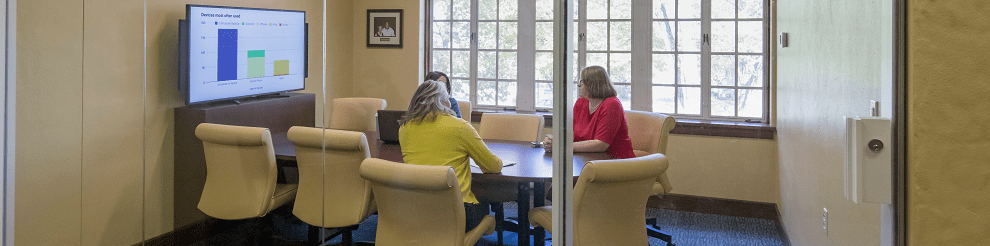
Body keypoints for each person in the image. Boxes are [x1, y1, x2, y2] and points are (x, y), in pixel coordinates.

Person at [398, 80, 503, 231]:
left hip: (416, 208)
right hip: (456, 210)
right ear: (444, 102)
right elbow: (493, 166)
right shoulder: (460, 126)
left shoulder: (404, 128)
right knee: (483, 199)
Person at [542, 66, 636, 159]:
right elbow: (570, 133)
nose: (578, 85)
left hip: (615, 161)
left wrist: (561, 146)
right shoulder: (581, 102)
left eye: (581, 82)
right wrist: (553, 141)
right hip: (588, 159)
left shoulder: (612, 104)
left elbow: (601, 144)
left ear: (592, 84)